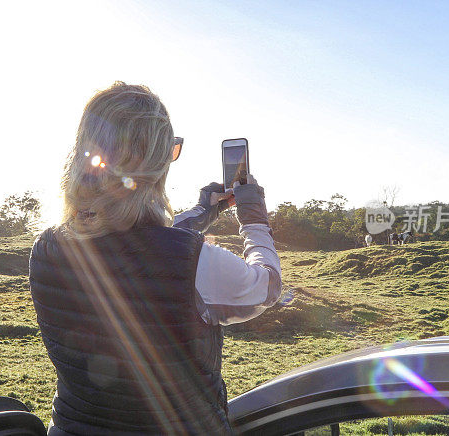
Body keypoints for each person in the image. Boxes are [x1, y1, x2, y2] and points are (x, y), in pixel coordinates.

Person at [29, 82, 281, 435]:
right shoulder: (194, 263)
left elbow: (129, 238)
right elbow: (267, 286)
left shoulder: (47, 249)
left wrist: (200, 213)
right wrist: (254, 219)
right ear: (156, 162)